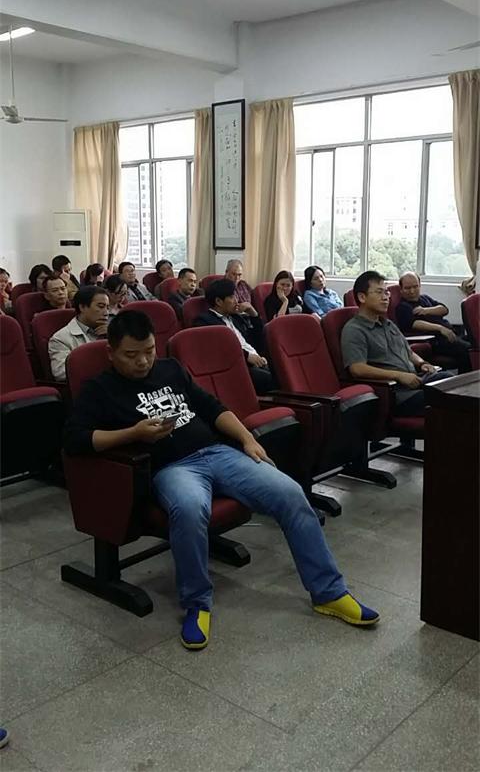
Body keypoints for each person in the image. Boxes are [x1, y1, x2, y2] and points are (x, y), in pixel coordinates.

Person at [64, 310, 380, 650]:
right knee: (189, 510)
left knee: (290, 493)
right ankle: (197, 603)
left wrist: (247, 439)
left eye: (149, 351)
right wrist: (133, 433)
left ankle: (329, 592)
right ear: (111, 352)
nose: (143, 361)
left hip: (218, 453)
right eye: (131, 355)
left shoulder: (170, 369)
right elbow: (75, 440)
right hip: (173, 467)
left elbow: (213, 408)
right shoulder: (100, 390)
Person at [341, 271, 452, 417]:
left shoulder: (388, 324)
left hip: (415, 380)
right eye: (379, 292)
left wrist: (422, 363)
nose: (386, 297)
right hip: (396, 393)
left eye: (386, 292)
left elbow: (408, 352)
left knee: (451, 381)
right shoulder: (354, 329)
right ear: (362, 297)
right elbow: (357, 368)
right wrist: (398, 376)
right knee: (446, 399)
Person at [195, 279, 273, 395]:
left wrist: (254, 314)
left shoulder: (235, 317)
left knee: (283, 368)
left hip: (257, 360)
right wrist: (246, 356)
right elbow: (219, 349)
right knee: (268, 378)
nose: (236, 301)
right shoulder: (204, 321)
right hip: (236, 366)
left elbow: (258, 340)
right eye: (232, 297)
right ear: (218, 301)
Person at [396, 272, 472, 374]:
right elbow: (413, 323)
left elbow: (444, 309)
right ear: (401, 289)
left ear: (420, 285)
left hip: (450, 334)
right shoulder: (403, 307)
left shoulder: (425, 298)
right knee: (469, 350)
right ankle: (466, 382)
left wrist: (426, 310)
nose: (412, 291)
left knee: (476, 343)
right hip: (435, 340)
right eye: (407, 288)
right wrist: (440, 328)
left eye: (415, 286)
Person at [48, 286, 109, 381]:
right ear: (82, 307)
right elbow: (61, 373)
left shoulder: (112, 331)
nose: (106, 313)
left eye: (107, 307)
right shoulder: (61, 338)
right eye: (101, 307)